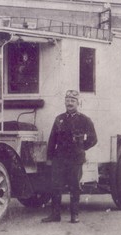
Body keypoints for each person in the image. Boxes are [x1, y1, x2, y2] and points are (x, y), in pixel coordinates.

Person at [42, 90, 97, 223]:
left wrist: (82, 147)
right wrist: (49, 158)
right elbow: (52, 139)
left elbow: (93, 139)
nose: (70, 103)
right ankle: (55, 215)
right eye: (67, 100)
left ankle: (74, 215)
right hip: (59, 158)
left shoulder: (85, 120)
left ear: (78, 103)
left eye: (73, 101)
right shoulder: (59, 119)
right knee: (56, 187)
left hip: (75, 159)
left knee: (74, 186)